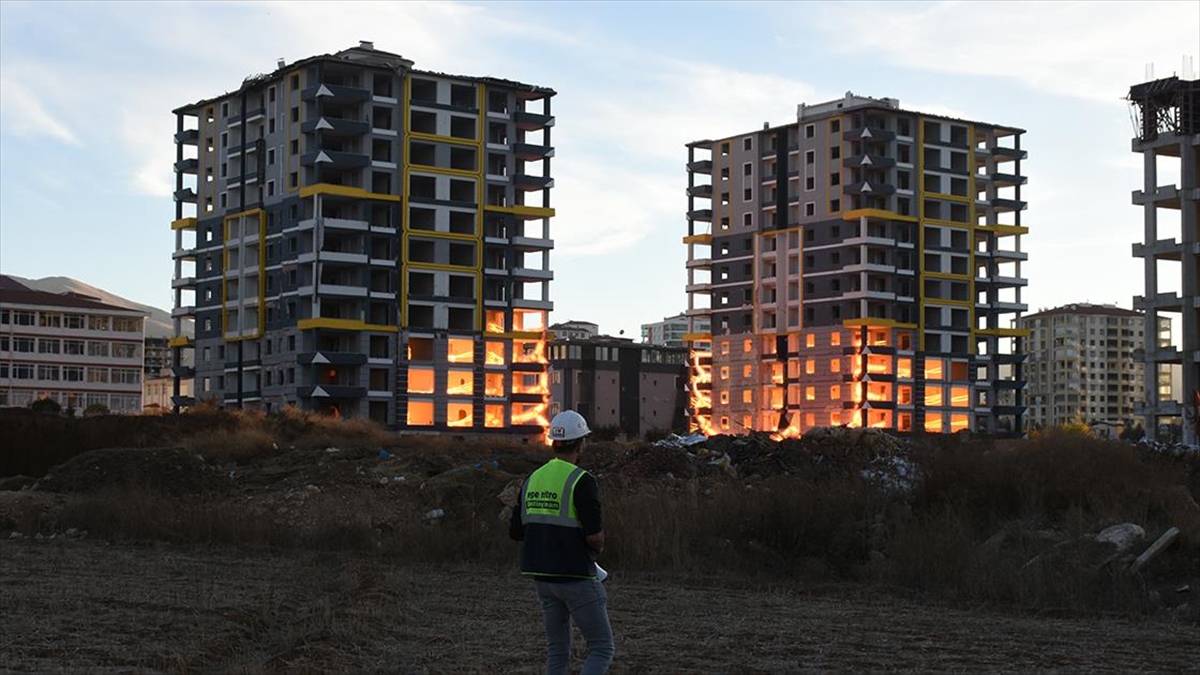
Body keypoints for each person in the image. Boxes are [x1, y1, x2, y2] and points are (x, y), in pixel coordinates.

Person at [510, 410, 614, 675]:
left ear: (553, 443)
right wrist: (597, 549)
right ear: (581, 443)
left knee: (557, 650)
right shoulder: (582, 480)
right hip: (576, 575)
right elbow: (595, 537)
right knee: (602, 648)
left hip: (543, 577)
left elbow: (516, 532)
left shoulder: (532, 479)